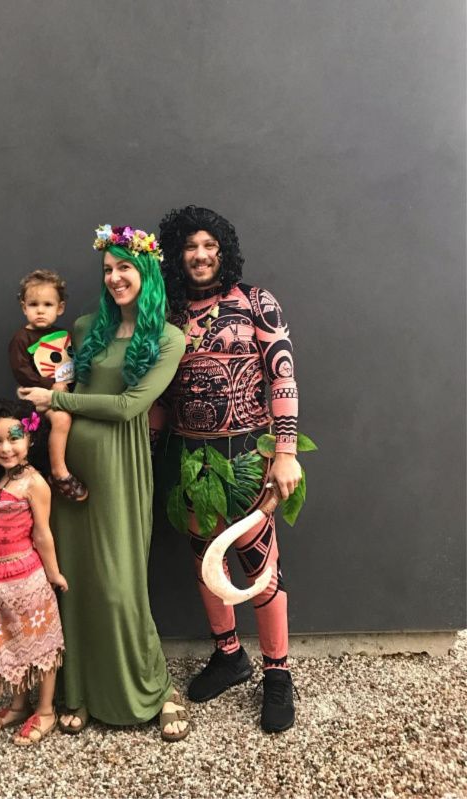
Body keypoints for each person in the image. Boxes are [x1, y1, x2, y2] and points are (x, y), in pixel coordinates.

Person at [19, 225, 190, 742]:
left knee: (120, 586)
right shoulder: (86, 324)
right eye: (108, 270)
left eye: (125, 269)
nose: (115, 278)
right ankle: (79, 694)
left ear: (147, 273)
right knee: (75, 581)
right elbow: (59, 376)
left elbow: (129, 406)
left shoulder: (167, 337)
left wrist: (60, 403)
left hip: (120, 467)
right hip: (68, 469)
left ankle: (153, 688)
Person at [155, 205, 302, 733]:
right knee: (205, 560)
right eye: (190, 247)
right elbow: (156, 396)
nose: (200, 255)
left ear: (223, 251)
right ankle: (229, 654)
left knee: (259, 567)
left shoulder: (255, 301)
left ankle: (278, 674)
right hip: (190, 458)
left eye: (209, 246)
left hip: (246, 457)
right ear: (179, 254)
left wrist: (284, 452)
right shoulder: (168, 313)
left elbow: (281, 377)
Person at [0, 398, 67, 745]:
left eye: (14, 438)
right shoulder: (1, 481)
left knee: (40, 646)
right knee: (12, 643)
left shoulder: (33, 483)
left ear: (30, 439)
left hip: (26, 581)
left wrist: (54, 574)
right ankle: (18, 704)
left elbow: (42, 532)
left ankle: (45, 710)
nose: (6, 448)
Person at [9, 269, 87, 501]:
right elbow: (21, 371)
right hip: (37, 398)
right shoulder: (21, 339)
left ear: (60, 308)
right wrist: (49, 385)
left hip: (65, 394)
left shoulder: (64, 335)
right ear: (24, 307)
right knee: (61, 418)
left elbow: (72, 363)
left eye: (47, 304)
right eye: (33, 304)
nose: (40, 310)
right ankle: (59, 473)